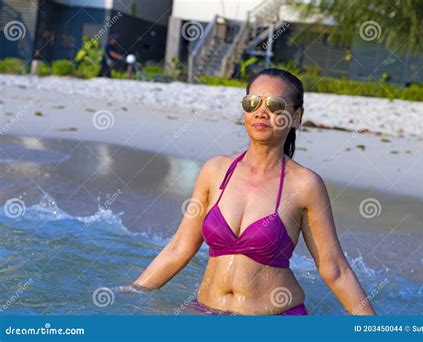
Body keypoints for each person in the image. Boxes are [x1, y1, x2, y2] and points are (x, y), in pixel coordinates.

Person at [132, 68, 376, 316]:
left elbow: (334, 268)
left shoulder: (305, 185)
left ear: (296, 117)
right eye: (252, 103)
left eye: (274, 104)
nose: (261, 112)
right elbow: (179, 248)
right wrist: (133, 292)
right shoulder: (214, 171)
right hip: (205, 312)